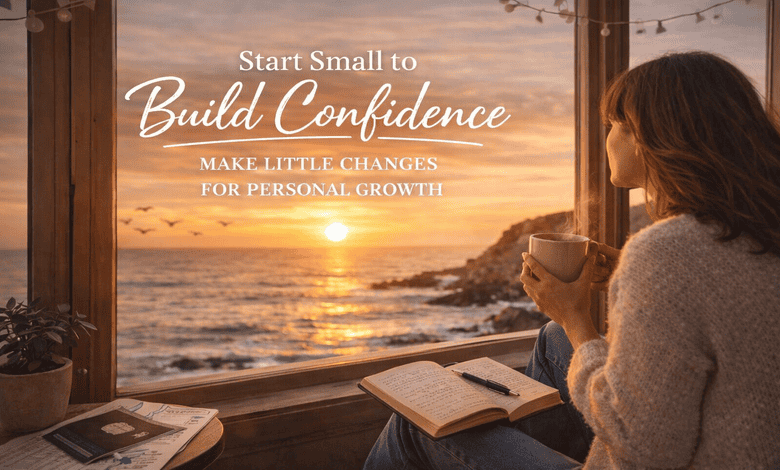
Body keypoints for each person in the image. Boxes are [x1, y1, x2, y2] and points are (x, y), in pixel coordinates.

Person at [363, 51, 780, 469]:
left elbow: (646, 449)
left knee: (413, 426)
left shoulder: (667, 252)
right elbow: (723, 298)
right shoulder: (757, 230)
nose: (609, 137)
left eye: (615, 124)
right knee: (553, 339)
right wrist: (623, 275)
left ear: (649, 137)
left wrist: (576, 317)